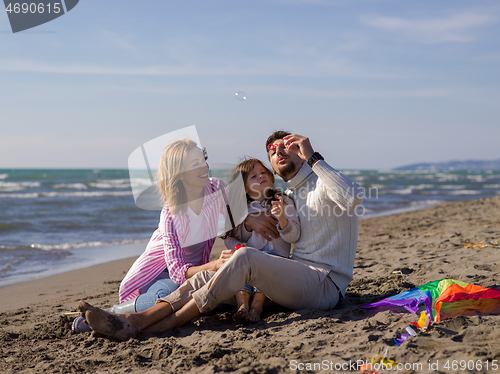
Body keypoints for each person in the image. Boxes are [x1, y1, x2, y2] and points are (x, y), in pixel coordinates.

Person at [77, 131, 364, 341]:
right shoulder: (286, 196)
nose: (278, 152)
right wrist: (248, 221)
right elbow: (235, 220)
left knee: (244, 257)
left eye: (287, 145)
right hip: (294, 279)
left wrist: (313, 157)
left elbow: (353, 198)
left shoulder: (322, 180)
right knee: (206, 276)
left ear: (300, 150)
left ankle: (154, 326)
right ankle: (133, 320)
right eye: (272, 151)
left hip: (326, 284)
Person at [73, 138, 234, 333]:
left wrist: (254, 221)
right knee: (169, 292)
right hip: (158, 273)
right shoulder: (171, 213)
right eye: (195, 164)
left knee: (202, 293)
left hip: (194, 273)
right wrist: (214, 265)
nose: (205, 167)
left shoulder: (216, 188)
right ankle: (109, 315)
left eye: (203, 160)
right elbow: (176, 271)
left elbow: (235, 222)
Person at [223, 158, 300, 322]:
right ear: (243, 188)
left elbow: (294, 236)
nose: (260, 176)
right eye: (253, 176)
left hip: (277, 260)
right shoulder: (241, 210)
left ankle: (256, 308)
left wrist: (283, 220)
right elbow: (230, 236)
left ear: (271, 177)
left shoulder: (284, 201)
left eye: (263, 172)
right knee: (241, 272)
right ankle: (242, 306)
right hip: (251, 260)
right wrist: (238, 244)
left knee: (264, 276)